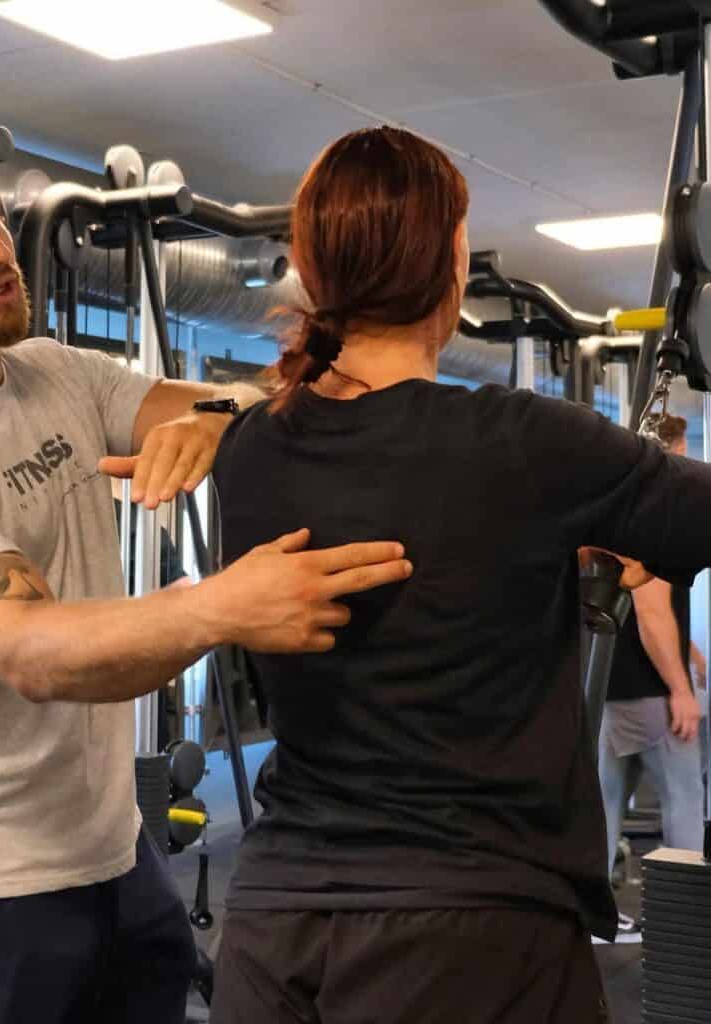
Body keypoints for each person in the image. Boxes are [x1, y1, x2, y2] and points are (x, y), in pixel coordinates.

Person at [0, 120, 411, 1024]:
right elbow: (32, 652)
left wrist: (216, 417)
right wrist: (221, 606)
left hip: (109, 846)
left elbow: (258, 404)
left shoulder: (52, 373)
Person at [209, 125, 711, 1024]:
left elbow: (433, 547)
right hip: (469, 937)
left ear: (310, 271)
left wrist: (553, 543)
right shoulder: (522, 443)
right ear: (451, 265)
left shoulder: (247, 449)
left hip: (275, 932)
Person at [600, 414, 706, 901]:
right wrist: (681, 690)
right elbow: (650, 610)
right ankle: (688, 918)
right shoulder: (659, 515)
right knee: (684, 803)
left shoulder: (619, 511)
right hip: (652, 693)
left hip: (612, 686)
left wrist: (690, 651)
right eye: (683, 452)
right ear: (672, 451)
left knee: (603, 806)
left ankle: (595, 921)